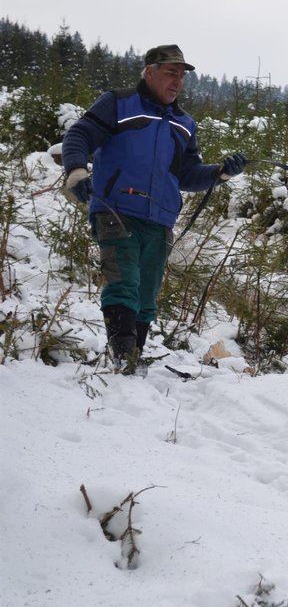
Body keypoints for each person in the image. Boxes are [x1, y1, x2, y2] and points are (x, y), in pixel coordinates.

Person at [61, 44, 247, 373]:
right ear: (150, 72)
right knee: (124, 282)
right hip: (115, 208)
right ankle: (124, 360)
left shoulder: (184, 124)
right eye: (170, 73)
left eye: (182, 75)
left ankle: (133, 357)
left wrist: (222, 172)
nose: (177, 81)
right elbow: (80, 134)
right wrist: (77, 170)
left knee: (146, 295)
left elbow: (188, 175)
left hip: (159, 218)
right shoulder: (119, 103)